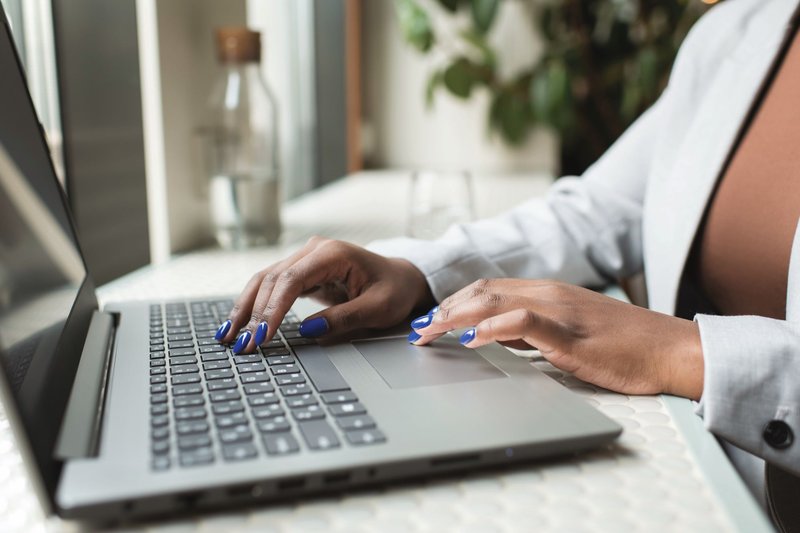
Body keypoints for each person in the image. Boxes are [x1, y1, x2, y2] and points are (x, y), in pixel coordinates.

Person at [215, 0, 800, 528]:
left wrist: (680, 352)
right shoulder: (738, 30)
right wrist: (418, 272)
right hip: (697, 468)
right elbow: (599, 209)